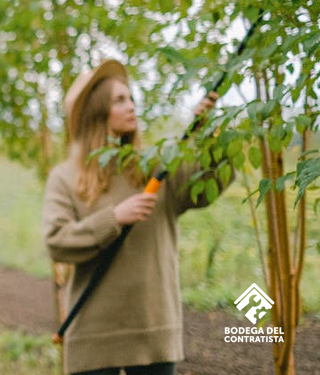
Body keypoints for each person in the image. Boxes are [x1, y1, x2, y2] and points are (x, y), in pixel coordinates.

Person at [42, 59, 225, 375]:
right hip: (92, 336)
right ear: (96, 113)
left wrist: (208, 132)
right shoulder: (65, 177)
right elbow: (57, 242)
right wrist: (113, 218)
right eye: (119, 100)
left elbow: (204, 188)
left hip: (154, 331)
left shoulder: (155, 166)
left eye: (131, 98)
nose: (132, 107)